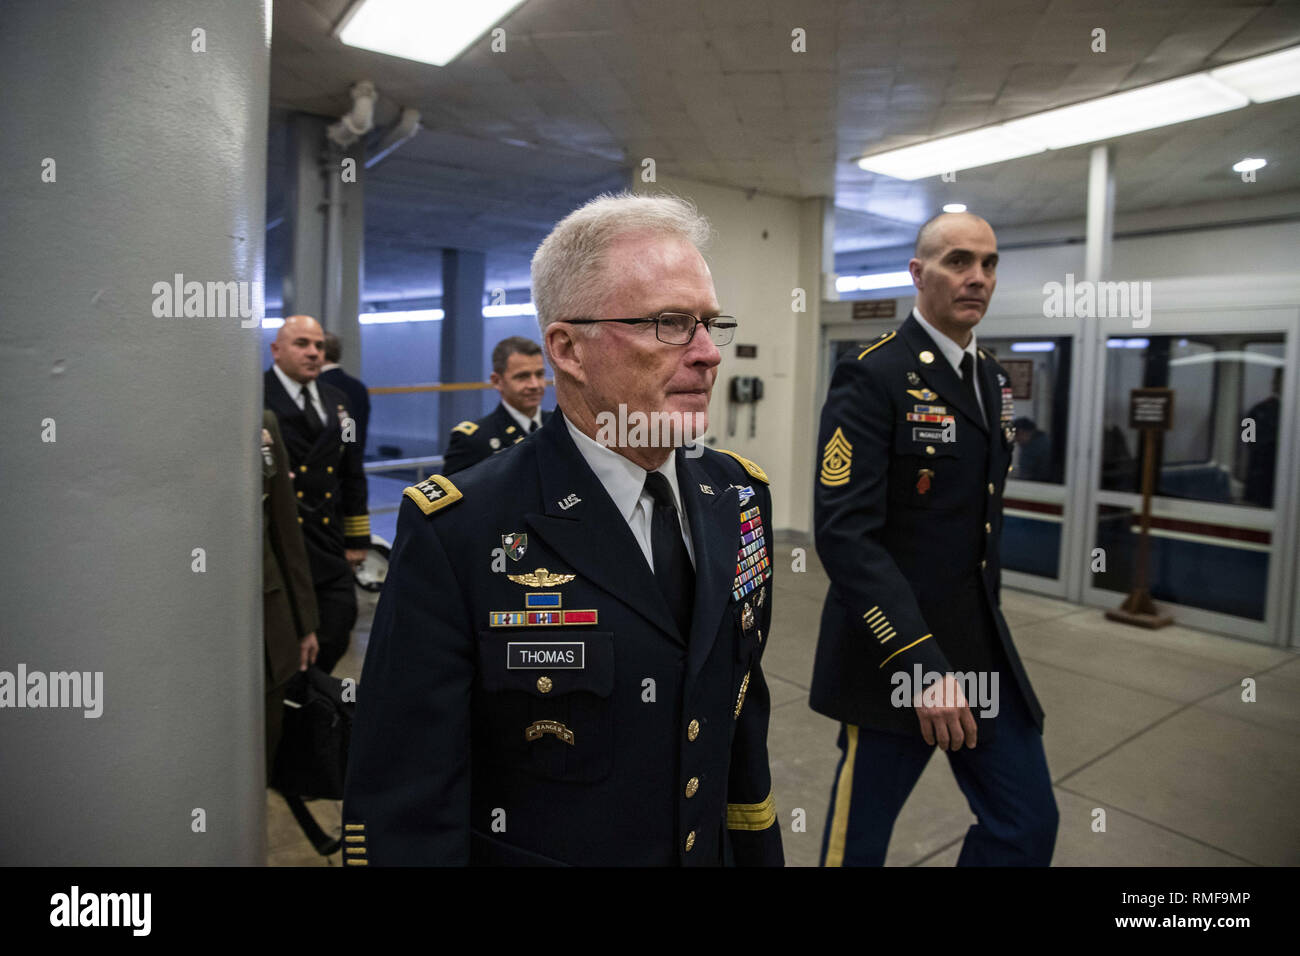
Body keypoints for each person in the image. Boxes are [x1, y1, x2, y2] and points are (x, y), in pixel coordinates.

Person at [343, 193, 783, 867]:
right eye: (669, 324)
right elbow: (405, 795)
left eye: (707, 324)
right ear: (569, 350)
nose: (706, 354)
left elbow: (741, 731)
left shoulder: (738, 498)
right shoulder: (462, 527)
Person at [810, 211, 1057, 866]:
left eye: (989, 263)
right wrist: (919, 664)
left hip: (979, 653)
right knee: (855, 849)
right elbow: (844, 535)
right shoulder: (874, 375)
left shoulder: (993, 382)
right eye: (958, 261)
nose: (977, 277)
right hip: (897, 657)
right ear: (918, 273)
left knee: (1027, 825)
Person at [264, 314, 370, 674]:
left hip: (328, 535)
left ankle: (313, 696)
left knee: (338, 622)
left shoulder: (340, 401)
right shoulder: (257, 397)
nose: (313, 353)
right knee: (288, 634)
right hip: (282, 536)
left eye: (319, 346)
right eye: (302, 344)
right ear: (276, 351)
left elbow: (352, 468)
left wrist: (357, 536)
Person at [261, 411, 319, 777]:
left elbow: (284, 529)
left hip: (265, 625)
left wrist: (304, 623)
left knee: (262, 751)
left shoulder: (259, 419)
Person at [442, 336, 551, 475]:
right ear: (497, 381)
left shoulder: (558, 425)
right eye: (522, 377)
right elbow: (457, 495)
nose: (535, 385)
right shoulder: (473, 440)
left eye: (540, 374)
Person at [318, 332, 371, 460]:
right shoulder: (358, 387)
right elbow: (352, 433)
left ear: (320, 352)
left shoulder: (318, 386)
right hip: (353, 460)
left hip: (327, 465)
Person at [1013, 416, 1052, 482]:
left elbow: (1026, 475)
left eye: (1017, 435)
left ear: (1025, 432)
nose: (1016, 440)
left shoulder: (1035, 448)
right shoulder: (1042, 441)